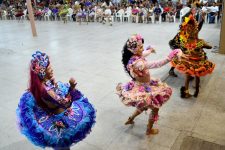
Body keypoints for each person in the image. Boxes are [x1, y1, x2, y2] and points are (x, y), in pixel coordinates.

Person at [17, 51, 96, 150]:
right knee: (62, 143)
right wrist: (72, 87)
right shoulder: (46, 91)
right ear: (43, 72)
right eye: (49, 68)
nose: (52, 69)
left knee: (61, 145)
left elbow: (57, 93)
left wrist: (54, 84)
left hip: (53, 109)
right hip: (58, 117)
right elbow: (66, 104)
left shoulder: (44, 83)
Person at [116, 34, 181, 135]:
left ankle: (130, 119)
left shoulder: (134, 57)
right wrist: (169, 57)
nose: (142, 49)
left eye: (142, 46)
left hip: (142, 84)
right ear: (134, 49)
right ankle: (149, 130)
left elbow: (143, 54)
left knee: (143, 107)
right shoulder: (138, 63)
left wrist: (149, 50)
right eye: (140, 47)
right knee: (155, 108)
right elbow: (156, 64)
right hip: (144, 88)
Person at [170, 14, 215, 98]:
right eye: (189, 28)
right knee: (194, 75)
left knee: (192, 76)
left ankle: (191, 91)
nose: (190, 30)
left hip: (193, 59)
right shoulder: (188, 37)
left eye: (192, 28)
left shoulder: (190, 36)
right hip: (191, 59)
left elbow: (208, 45)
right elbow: (209, 46)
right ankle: (192, 91)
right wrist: (203, 45)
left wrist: (201, 44)